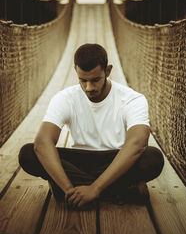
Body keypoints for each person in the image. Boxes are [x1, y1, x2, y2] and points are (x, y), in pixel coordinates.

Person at [19, 43, 164, 209]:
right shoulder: (65, 98)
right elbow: (43, 142)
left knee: (153, 158)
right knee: (28, 153)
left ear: (107, 71)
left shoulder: (132, 99)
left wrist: (95, 188)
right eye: (83, 80)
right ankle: (118, 190)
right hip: (79, 160)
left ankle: (81, 189)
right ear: (76, 71)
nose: (89, 88)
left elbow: (137, 143)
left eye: (95, 80)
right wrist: (68, 188)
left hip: (115, 159)